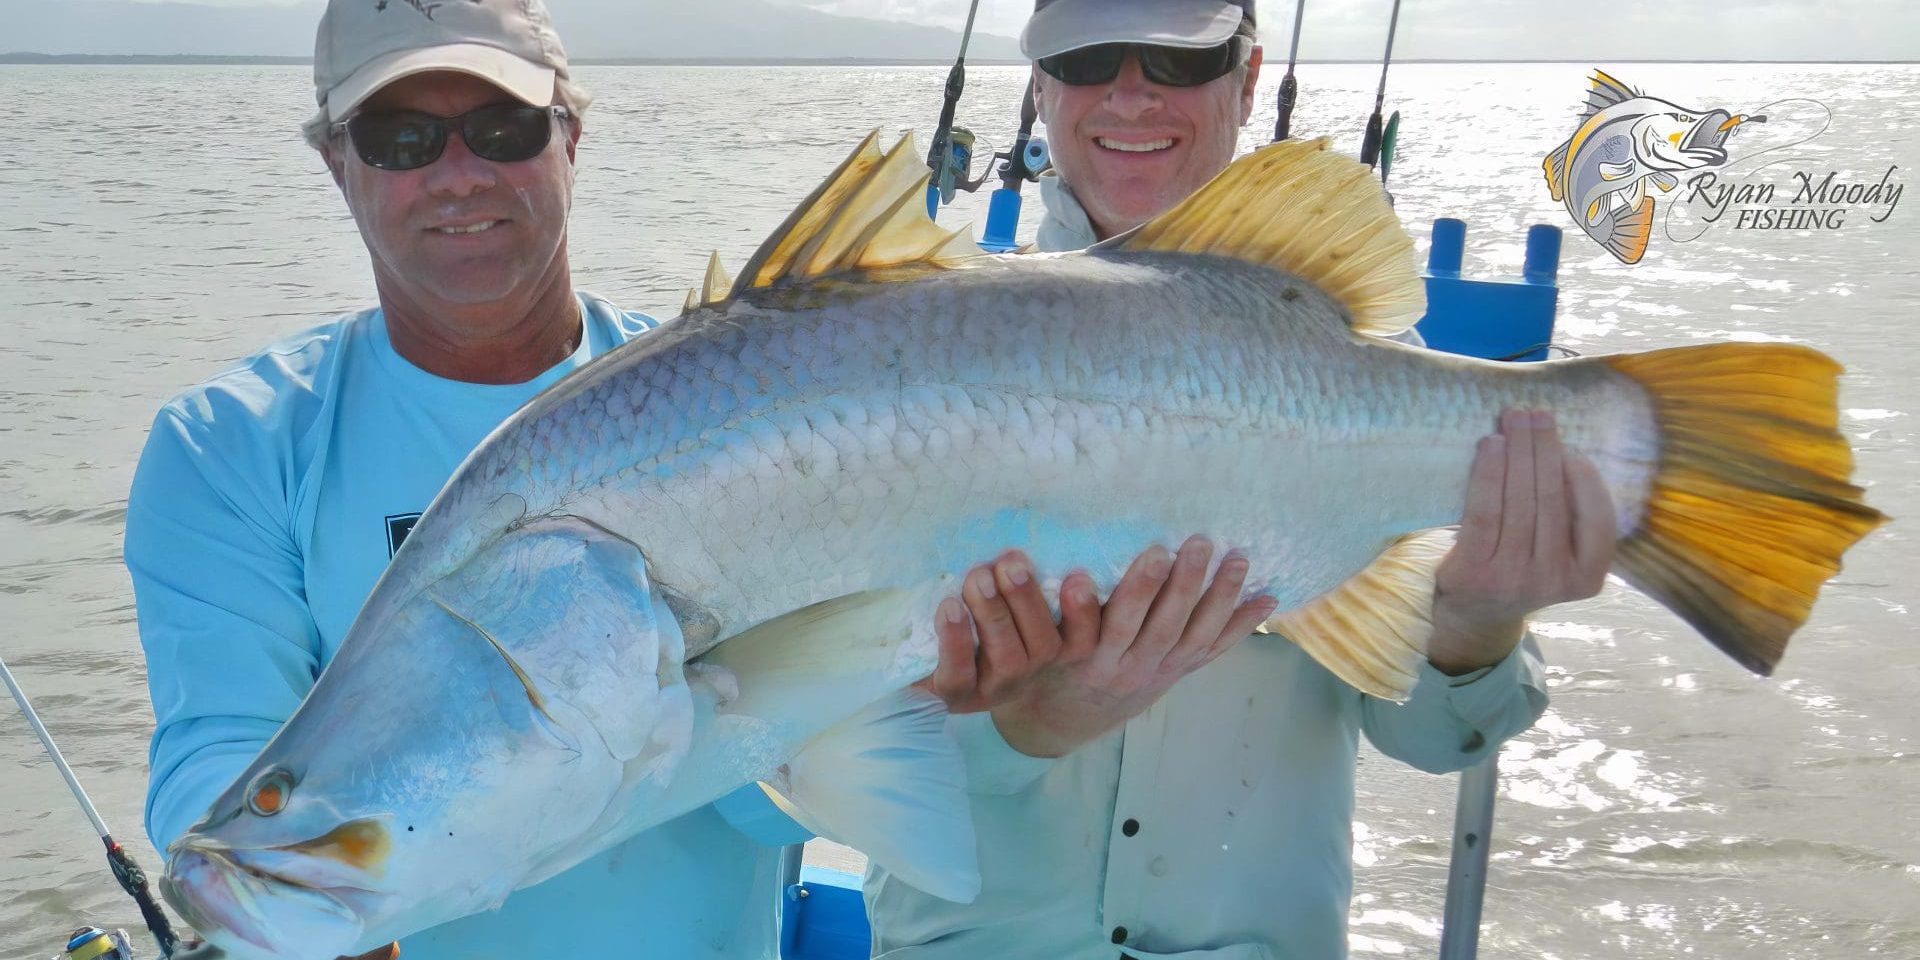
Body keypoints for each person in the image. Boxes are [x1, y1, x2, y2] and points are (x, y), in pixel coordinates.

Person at [124, 1, 1264, 956]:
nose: (458, 173)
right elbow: (216, 755)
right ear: (337, 162)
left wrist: (952, 696)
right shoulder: (233, 443)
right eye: (400, 138)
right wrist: (299, 897)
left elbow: (807, 761)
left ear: (571, 137)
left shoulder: (744, 390)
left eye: (503, 125)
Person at [863, 2, 1618, 958]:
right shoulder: (894, 354)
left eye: (1180, 58)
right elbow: (828, 750)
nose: (1131, 90)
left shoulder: (1367, 369)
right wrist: (1024, 723)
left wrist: (1476, 624)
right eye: (1090, 54)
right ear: (1041, 85)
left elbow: (1439, 744)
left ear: (1249, 77)